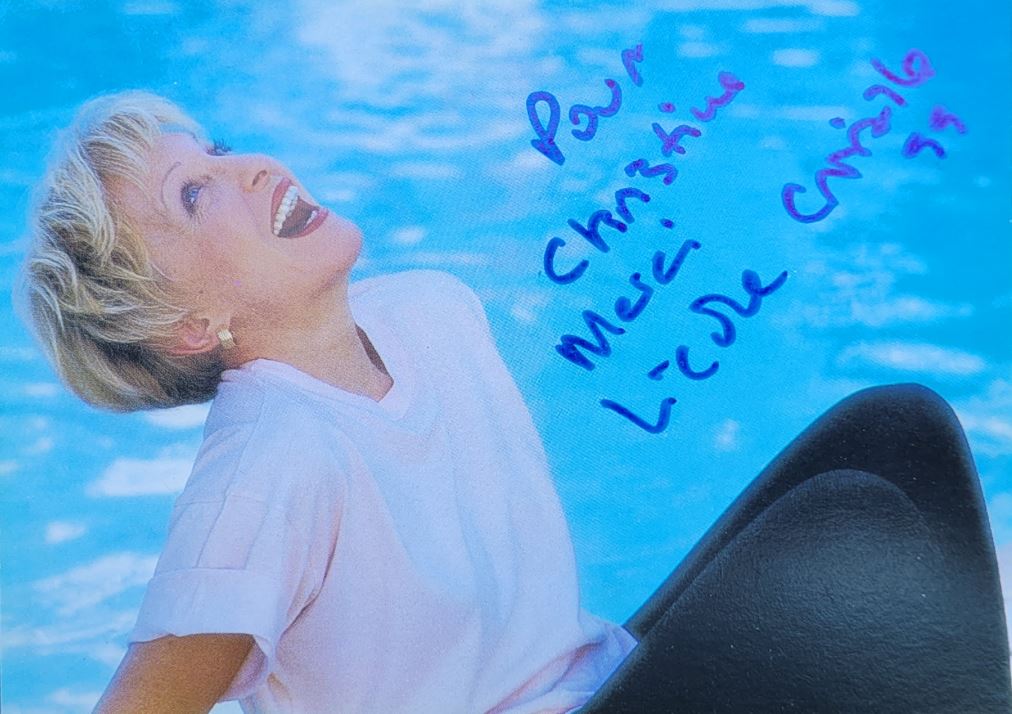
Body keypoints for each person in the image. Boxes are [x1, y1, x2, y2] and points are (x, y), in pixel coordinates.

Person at [20, 92, 1010, 713]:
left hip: (600, 677)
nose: (249, 168)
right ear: (188, 327)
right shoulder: (264, 469)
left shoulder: (430, 308)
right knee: (853, 527)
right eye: (194, 195)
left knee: (897, 432)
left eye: (219, 149)